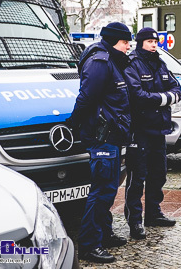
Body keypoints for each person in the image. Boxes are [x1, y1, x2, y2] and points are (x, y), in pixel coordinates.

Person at [67, 22, 133, 263]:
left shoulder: (112, 61)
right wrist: (74, 123)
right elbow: (86, 97)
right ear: (116, 40)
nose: (129, 46)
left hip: (113, 135)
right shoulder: (101, 62)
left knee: (109, 189)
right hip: (102, 135)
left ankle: (104, 233)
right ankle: (89, 245)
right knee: (102, 190)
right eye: (126, 42)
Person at [124, 27, 181, 240]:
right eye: (149, 41)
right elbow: (137, 95)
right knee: (137, 177)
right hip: (140, 131)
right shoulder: (133, 64)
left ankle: (153, 213)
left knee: (159, 174)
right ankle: (135, 221)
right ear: (140, 43)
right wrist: (164, 97)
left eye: (155, 41)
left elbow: (177, 88)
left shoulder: (160, 63)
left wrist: (161, 97)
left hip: (159, 129)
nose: (154, 44)